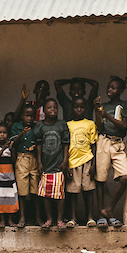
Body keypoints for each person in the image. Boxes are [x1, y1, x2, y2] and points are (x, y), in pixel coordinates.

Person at [95, 77, 127, 228]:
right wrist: (97, 111)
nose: (109, 90)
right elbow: (100, 127)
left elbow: (124, 126)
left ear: (121, 91)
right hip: (103, 141)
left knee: (125, 177)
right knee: (100, 180)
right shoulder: (103, 106)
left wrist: (106, 115)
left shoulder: (124, 105)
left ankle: (109, 208)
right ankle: (101, 215)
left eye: (113, 88)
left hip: (117, 143)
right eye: (109, 87)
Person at [34, 98, 70, 230]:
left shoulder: (62, 124)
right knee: (46, 194)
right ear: (44, 110)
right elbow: (38, 144)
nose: (53, 110)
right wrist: (39, 162)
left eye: (55, 107)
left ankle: (59, 220)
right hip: (45, 164)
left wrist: (65, 160)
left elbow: (65, 144)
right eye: (50, 107)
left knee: (59, 194)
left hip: (58, 164)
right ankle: (49, 219)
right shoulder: (40, 126)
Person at [9, 105, 41, 228]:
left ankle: (37, 217)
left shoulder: (36, 127)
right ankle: (22, 217)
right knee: (22, 191)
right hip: (21, 158)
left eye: (32, 116)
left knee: (35, 190)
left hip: (34, 158)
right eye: (27, 115)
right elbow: (13, 144)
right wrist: (21, 134)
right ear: (22, 116)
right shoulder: (16, 126)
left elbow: (39, 142)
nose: (29, 118)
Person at [0, 125, 18, 230]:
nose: (2, 135)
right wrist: (4, 148)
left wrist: (11, 150)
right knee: (0, 198)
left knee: (10, 197)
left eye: (4, 132)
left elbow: (14, 160)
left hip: (9, 176)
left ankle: (10, 220)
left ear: (8, 135)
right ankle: (2, 220)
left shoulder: (11, 147)